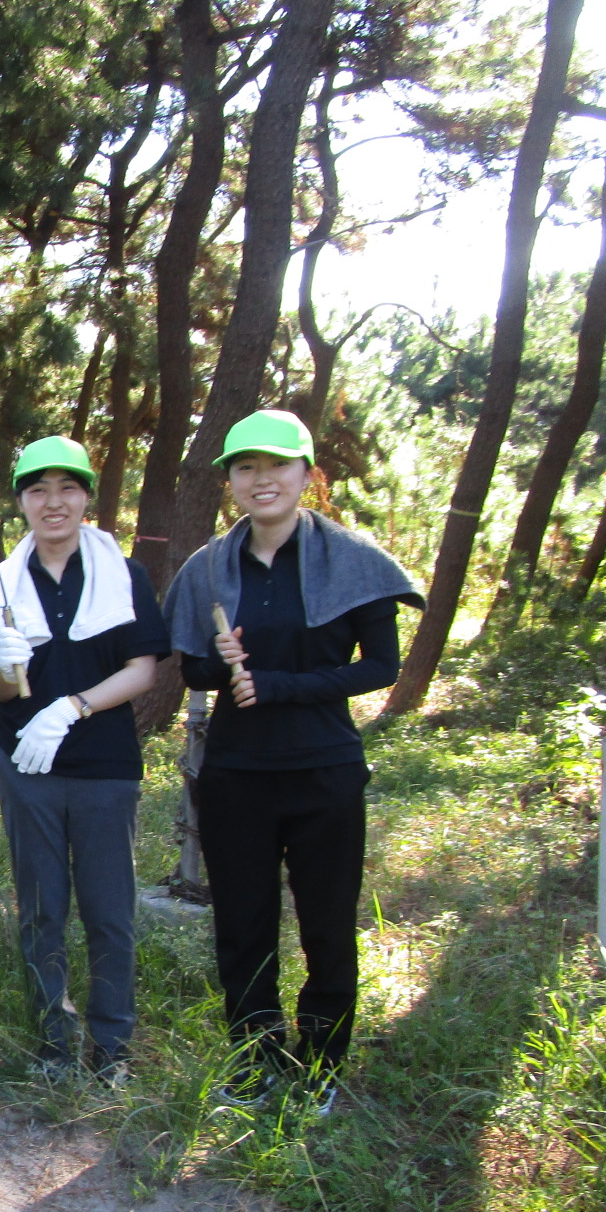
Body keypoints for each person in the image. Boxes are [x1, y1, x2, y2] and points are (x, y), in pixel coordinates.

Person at [165, 410, 423, 1116]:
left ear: (307, 474)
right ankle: (255, 1059)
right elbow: (191, 671)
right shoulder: (208, 567)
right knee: (242, 925)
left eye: (277, 465)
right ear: (231, 483)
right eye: (245, 468)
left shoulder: (355, 558)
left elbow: (382, 666)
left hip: (324, 771)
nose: (261, 480)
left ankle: (323, 1064)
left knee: (326, 924)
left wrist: (279, 685)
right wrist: (219, 664)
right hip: (236, 774)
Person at [0, 436, 166, 1087]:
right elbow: (2, 691)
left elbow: (143, 667)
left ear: (87, 496)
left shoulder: (125, 574)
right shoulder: (2, 580)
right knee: (40, 908)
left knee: (109, 910)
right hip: (27, 767)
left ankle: (112, 1046)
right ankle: (55, 1044)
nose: (52, 502)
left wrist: (73, 707)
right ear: (22, 502)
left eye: (66, 488)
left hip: (105, 765)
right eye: (37, 489)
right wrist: (6, 664)